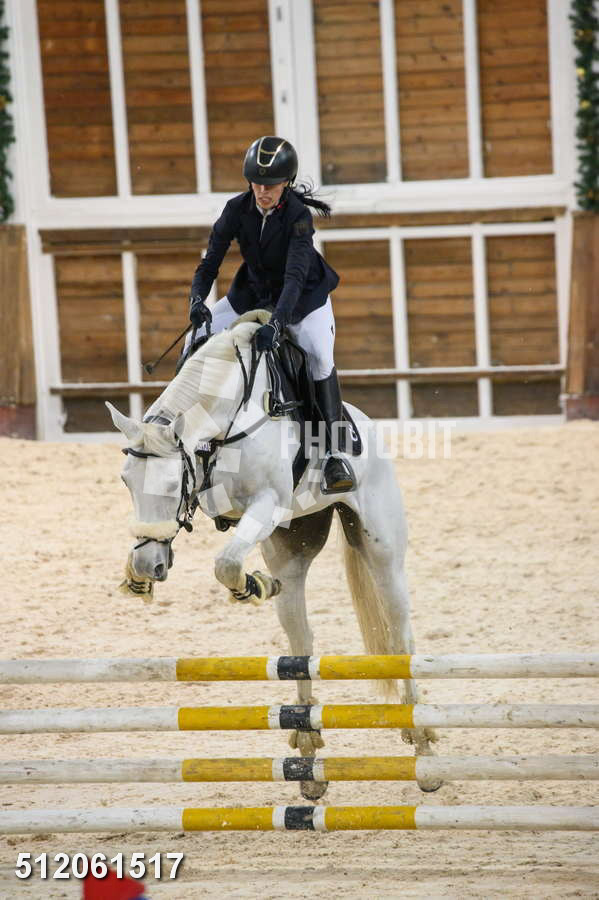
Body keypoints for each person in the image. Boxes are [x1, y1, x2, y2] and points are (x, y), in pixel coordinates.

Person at [188, 135, 354, 494]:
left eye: (271, 185)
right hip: (253, 292)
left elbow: (294, 278)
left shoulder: (298, 216)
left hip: (303, 299)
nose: (262, 191)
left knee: (320, 358)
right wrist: (197, 301)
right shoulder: (236, 208)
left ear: (287, 183)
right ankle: (184, 427)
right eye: (257, 184)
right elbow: (210, 262)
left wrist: (277, 324)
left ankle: (333, 454)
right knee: (194, 338)